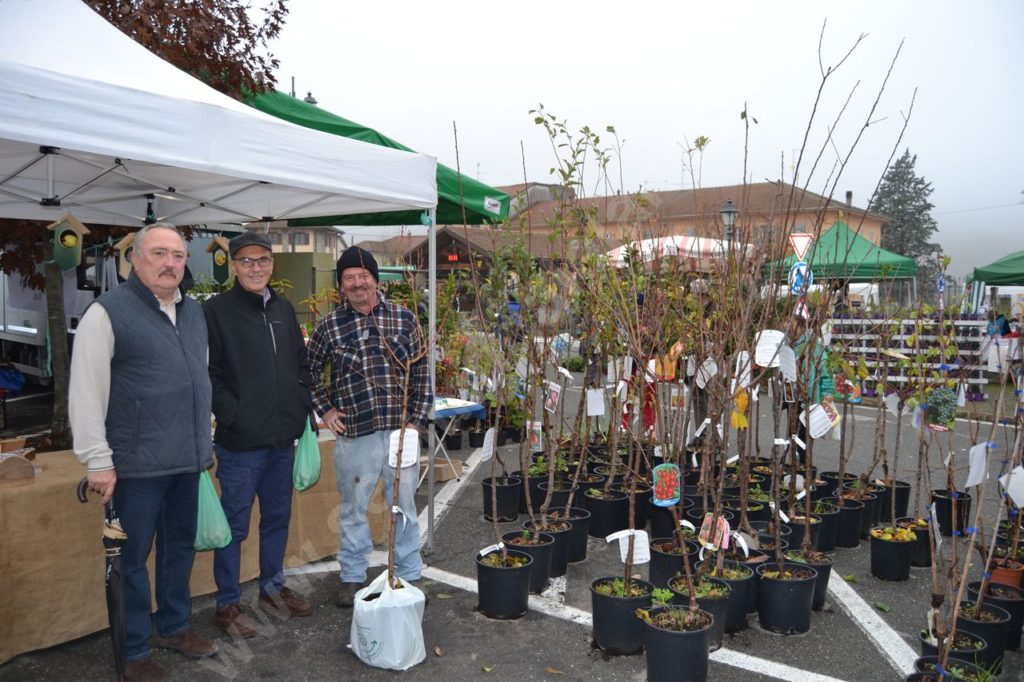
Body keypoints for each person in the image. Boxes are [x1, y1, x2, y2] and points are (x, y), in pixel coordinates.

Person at [70, 223, 216, 682]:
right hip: (134, 466)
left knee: (179, 552)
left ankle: (173, 627)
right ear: (133, 259)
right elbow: (86, 391)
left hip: (186, 461)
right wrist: (97, 460)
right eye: (158, 253)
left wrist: (203, 439)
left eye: (177, 254)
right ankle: (133, 652)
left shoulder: (193, 313)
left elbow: (200, 379)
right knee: (130, 562)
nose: (170, 263)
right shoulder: (107, 313)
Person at [202, 231, 314, 639]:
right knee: (234, 525)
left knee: (277, 519)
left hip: (282, 441)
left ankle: (271, 589)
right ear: (233, 266)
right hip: (239, 445)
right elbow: (209, 375)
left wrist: (301, 404)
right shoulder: (216, 312)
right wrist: (233, 415)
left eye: (263, 260)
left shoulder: (283, 309)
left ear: (272, 264)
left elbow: (302, 366)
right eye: (246, 261)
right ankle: (227, 604)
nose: (255, 267)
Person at [306, 246, 431, 608]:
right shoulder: (329, 326)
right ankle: (352, 575)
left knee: (404, 506)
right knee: (352, 508)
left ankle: (409, 572)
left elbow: (422, 372)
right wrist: (326, 410)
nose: (358, 283)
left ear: (376, 279)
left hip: (399, 434)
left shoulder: (404, 319)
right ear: (341, 285)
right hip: (355, 435)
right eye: (349, 278)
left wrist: (415, 423)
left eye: (364, 276)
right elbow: (309, 373)